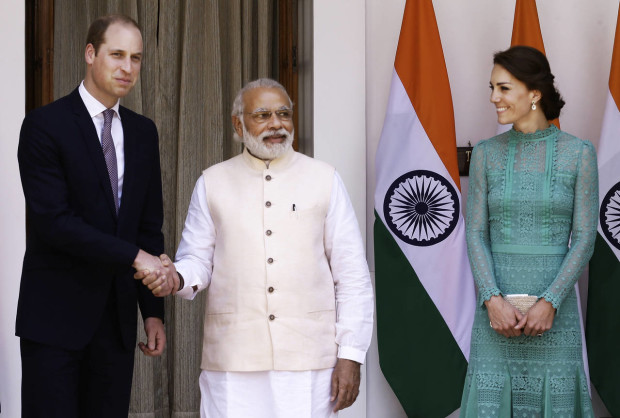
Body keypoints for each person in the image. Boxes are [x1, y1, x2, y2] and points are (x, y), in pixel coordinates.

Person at [136, 78, 374, 417]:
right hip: (233, 362)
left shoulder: (325, 179)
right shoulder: (212, 182)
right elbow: (197, 261)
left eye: (283, 114)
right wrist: (175, 276)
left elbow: (352, 275)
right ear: (238, 123)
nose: (276, 124)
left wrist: (351, 355)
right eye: (262, 115)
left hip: (309, 362)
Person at [17, 14, 176, 417]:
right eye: (117, 54)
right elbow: (54, 222)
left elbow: (147, 228)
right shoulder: (43, 125)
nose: (127, 68)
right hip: (54, 320)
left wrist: (153, 312)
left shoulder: (144, 132)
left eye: (136, 58)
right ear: (91, 54)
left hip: (116, 323)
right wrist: (133, 256)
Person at [460, 45, 598, 417]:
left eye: (503, 88)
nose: (493, 98)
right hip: (496, 314)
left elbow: (585, 237)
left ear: (534, 93)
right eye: (492, 88)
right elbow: (474, 232)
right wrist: (492, 299)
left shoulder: (578, 153)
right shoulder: (487, 153)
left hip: (555, 311)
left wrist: (549, 302)